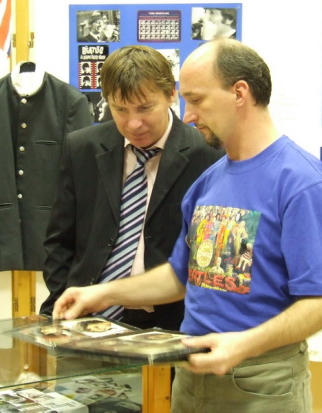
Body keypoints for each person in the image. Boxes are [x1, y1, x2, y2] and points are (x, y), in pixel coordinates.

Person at [52, 39, 322, 412]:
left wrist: (245, 344)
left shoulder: (301, 181)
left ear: (239, 93)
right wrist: (102, 294)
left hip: (260, 381)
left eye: (196, 100)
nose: (189, 116)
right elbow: (180, 277)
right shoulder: (209, 181)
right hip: (192, 374)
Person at [40, 45, 223, 331]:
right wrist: (65, 297)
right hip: (88, 316)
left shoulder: (209, 155)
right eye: (120, 110)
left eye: (145, 108)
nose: (133, 123)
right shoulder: (82, 147)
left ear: (171, 95)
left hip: (171, 321)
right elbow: (60, 240)